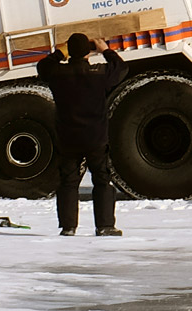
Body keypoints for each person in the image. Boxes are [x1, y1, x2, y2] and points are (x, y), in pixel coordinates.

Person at [36, 32, 125, 237]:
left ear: (70, 52)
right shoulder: (99, 73)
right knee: (102, 180)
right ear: (88, 53)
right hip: (95, 138)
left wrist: (60, 52)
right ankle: (105, 226)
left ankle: (68, 227)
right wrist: (105, 50)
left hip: (68, 138)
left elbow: (42, 67)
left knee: (68, 182)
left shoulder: (58, 74)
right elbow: (121, 69)